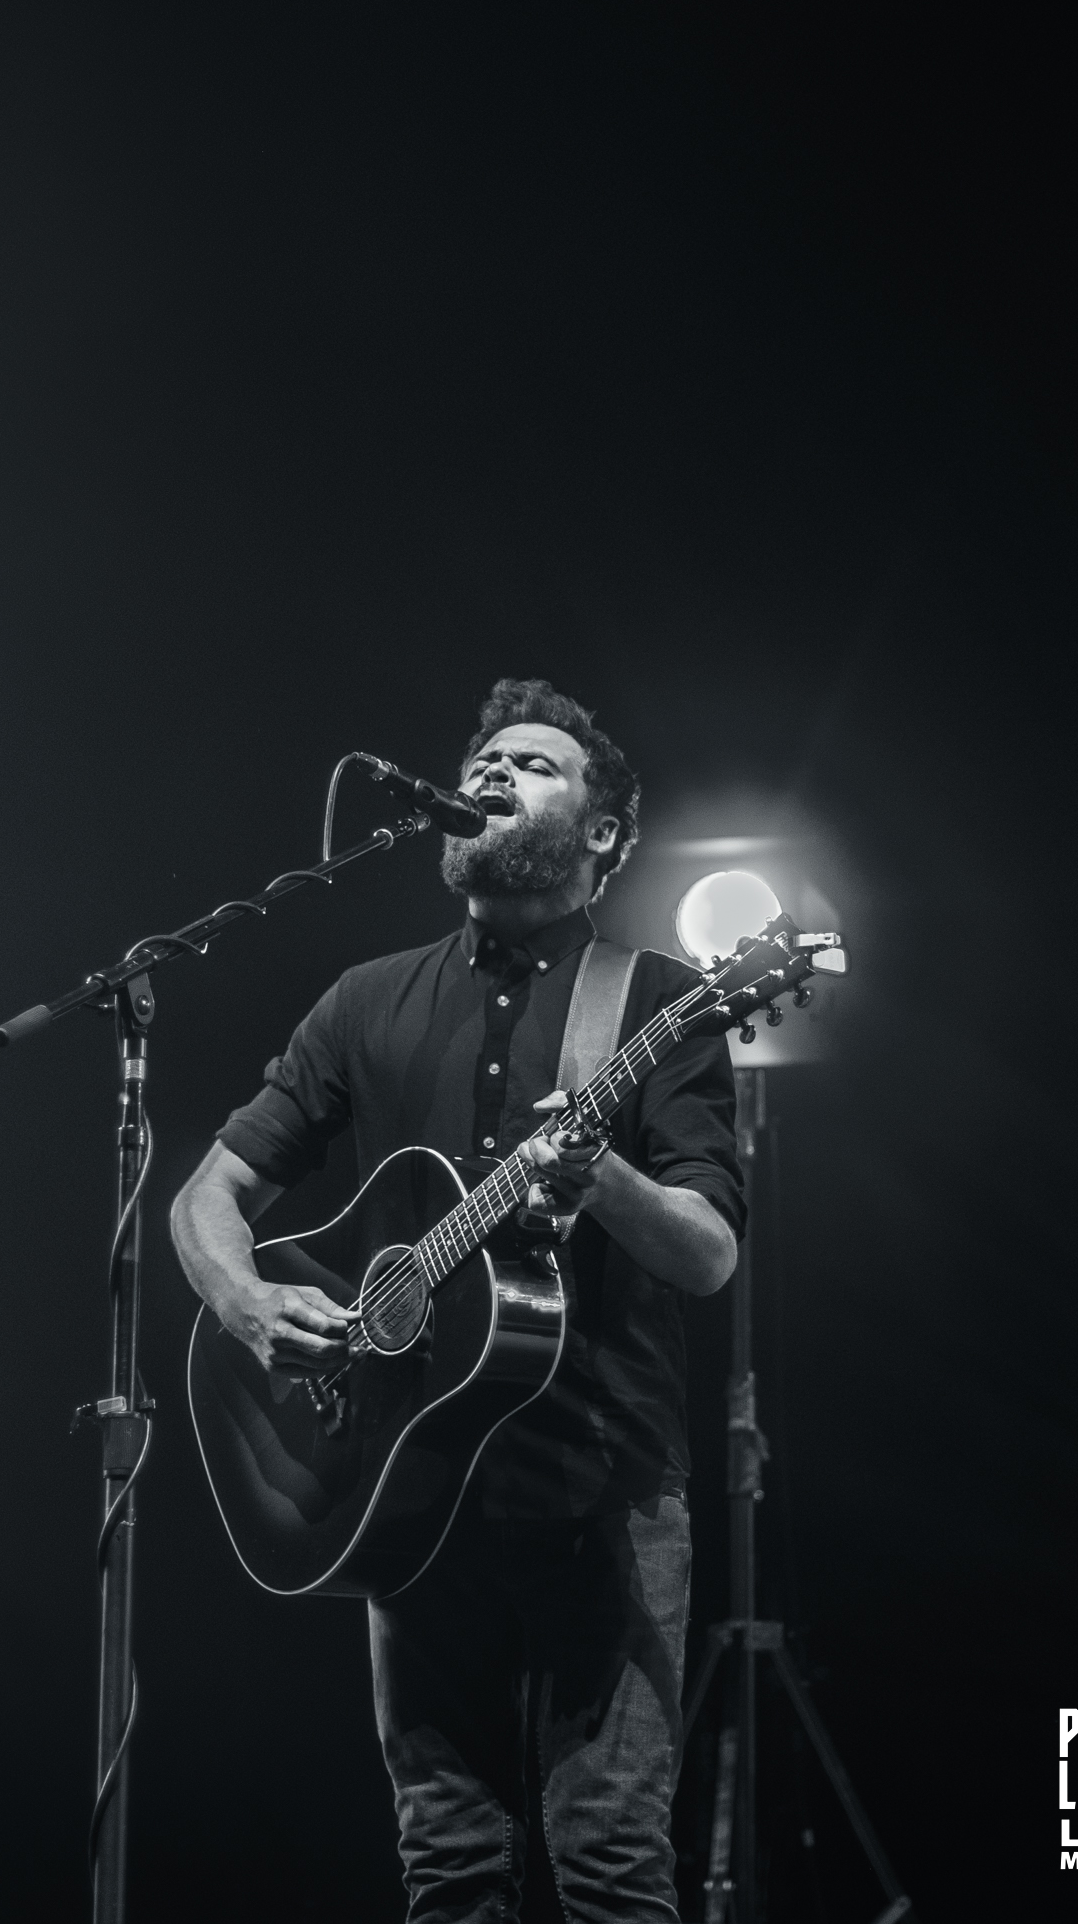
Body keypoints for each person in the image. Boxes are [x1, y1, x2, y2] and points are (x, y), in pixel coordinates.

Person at [171, 677, 745, 1923]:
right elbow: (205, 1195)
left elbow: (705, 1254)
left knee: (611, 1868)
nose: (491, 771)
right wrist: (249, 1306)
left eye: (534, 763)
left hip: (606, 1494)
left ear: (602, 834)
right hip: (411, 1492)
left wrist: (604, 1181)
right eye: (483, 757)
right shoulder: (365, 999)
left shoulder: (656, 1003)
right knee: (450, 1871)